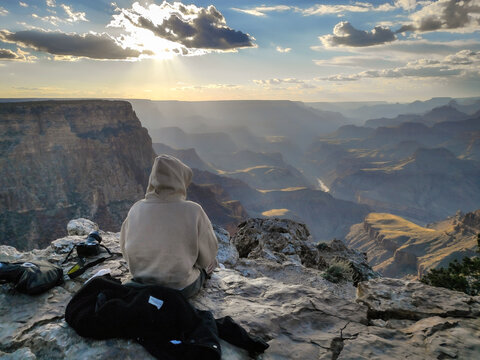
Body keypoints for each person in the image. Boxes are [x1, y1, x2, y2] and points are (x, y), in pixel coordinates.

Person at [120, 154, 218, 298]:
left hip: (140, 284)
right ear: (180, 180)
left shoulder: (136, 208)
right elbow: (207, 257)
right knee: (210, 265)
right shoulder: (194, 210)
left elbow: (125, 250)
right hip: (179, 289)